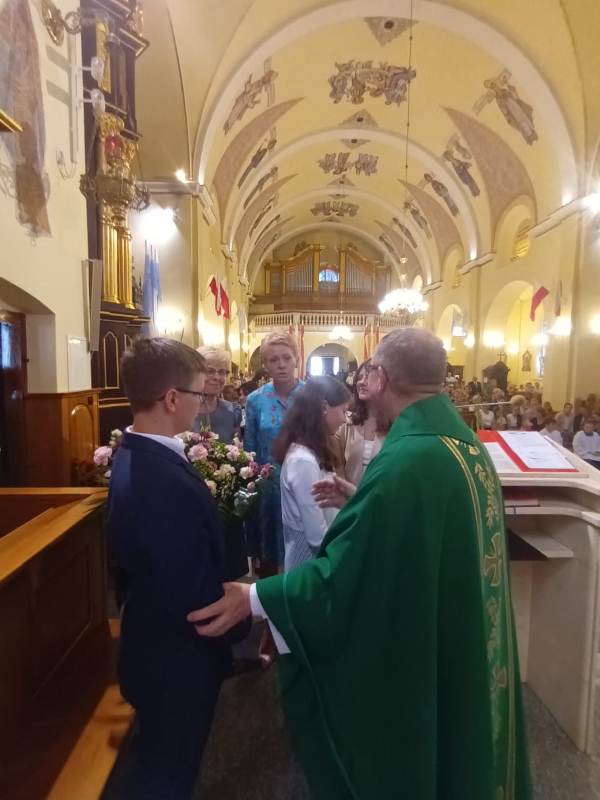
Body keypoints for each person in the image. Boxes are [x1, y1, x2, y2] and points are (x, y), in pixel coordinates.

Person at [189, 328, 531, 800]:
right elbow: (409, 534)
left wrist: (256, 595)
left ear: (382, 378)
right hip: (458, 628)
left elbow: (350, 572)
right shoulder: (464, 446)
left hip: (421, 639)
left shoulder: (408, 459)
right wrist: (358, 498)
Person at [107, 338, 249, 799]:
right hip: (176, 660)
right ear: (171, 398)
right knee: (169, 774)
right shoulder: (158, 479)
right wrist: (238, 627)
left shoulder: (138, 452)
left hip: (156, 641)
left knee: (164, 763)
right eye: (198, 394)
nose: (202, 403)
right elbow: (190, 590)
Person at [273, 377, 350, 571]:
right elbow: (317, 536)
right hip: (310, 560)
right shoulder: (303, 460)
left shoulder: (312, 451)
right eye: (343, 411)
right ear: (324, 407)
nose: (345, 419)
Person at [244, 332, 305, 572]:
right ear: (265, 364)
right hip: (268, 489)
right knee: (268, 559)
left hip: (304, 484)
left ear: (296, 359)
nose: (281, 365)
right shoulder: (255, 400)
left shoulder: (312, 396)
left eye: (286, 358)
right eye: (273, 359)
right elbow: (250, 449)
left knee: (301, 554)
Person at [334, 360, 389, 485]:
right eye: (359, 378)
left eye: (368, 377)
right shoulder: (346, 423)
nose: (361, 382)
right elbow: (338, 469)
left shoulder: (396, 424)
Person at [192, 346, 241, 444]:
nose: (217, 377)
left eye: (222, 372)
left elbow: (236, 447)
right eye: (210, 371)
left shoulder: (233, 411)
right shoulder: (181, 410)